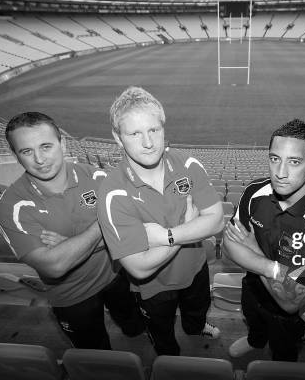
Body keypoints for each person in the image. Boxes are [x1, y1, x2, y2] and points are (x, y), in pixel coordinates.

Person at [0, 111, 145, 349]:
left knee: (134, 325)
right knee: (96, 353)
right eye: (26, 151)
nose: (39, 159)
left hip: (116, 275)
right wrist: (103, 225)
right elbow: (55, 266)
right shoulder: (12, 206)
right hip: (72, 296)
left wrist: (69, 245)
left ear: (62, 144)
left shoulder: (97, 176)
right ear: (15, 155)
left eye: (46, 146)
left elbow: (133, 226)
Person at [96, 86, 224, 356]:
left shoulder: (188, 164)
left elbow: (216, 222)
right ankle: (169, 358)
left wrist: (165, 236)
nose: (148, 142)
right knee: (160, 328)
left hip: (196, 267)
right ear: (118, 139)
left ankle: (196, 327)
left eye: (153, 130)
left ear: (163, 128)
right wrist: (185, 229)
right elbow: (139, 268)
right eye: (134, 133)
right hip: (154, 286)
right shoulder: (112, 192)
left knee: (197, 310)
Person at [222, 118, 305, 362]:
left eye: (294, 162)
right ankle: (255, 340)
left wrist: (254, 250)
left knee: (284, 349)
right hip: (252, 287)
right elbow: (229, 244)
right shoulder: (255, 191)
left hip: (287, 315)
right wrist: (274, 268)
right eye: (274, 158)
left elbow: (290, 302)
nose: (280, 173)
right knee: (253, 320)